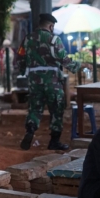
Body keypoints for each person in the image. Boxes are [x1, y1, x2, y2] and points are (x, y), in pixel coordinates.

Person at [17, 13, 81, 151]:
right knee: (56, 109)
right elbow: (64, 60)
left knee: (35, 108)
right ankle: (54, 141)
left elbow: (20, 57)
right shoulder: (54, 39)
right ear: (51, 26)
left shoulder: (27, 39)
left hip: (34, 81)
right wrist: (79, 66)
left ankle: (30, 132)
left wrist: (23, 72)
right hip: (52, 82)